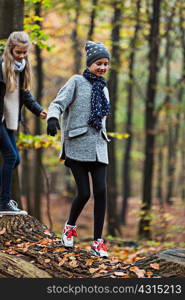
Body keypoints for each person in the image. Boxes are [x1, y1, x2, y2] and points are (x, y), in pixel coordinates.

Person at [47, 41, 111, 258]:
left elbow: (102, 119)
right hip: (77, 145)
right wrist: (53, 119)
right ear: (90, 63)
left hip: (99, 148)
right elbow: (57, 103)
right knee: (84, 193)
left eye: (105, 64)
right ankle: (69, 227)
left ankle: (98, 242)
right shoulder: (76, 81)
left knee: (101, 192)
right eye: (98, 63)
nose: (102, 68)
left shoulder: (103, 88)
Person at [0, 31, 47, 215]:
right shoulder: (2, 67)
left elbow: (25, 95)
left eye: (24, 52)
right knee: (11, 157)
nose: (21, 56)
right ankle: (3, 203)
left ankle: (3, 199)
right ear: (10, 49)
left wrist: (38, 110)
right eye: (18, 52)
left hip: (9, 120)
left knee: (15, 159)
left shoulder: (22, 68)